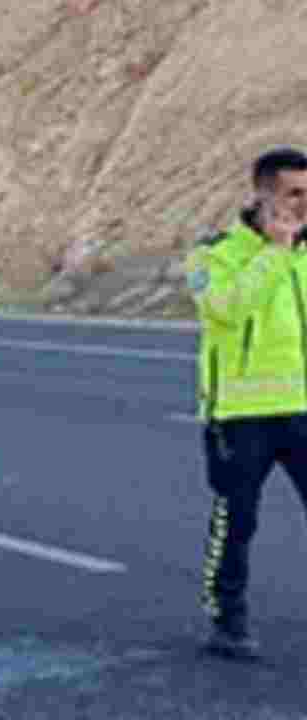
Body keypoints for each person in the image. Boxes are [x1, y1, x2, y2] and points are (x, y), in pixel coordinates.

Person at [185, 146, 307, 659]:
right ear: (261, 195)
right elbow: (226, 311)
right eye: (293, 194)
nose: (303, 204)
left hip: (302, 409)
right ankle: (227, 620)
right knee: (236, 521)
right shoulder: (212, 255)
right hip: (239, 417)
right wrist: (274, 253)